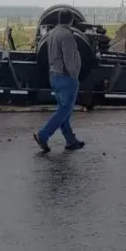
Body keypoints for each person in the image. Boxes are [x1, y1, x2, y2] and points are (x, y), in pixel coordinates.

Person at [32, 11, 85, 153]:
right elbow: (68, 58)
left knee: (64, 110)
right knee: (65, 110)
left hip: (54, 75)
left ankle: (71, 141)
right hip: (66, 77)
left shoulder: (53, 33)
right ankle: (43, 135)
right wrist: (74, 76)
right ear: (71, 20)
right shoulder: (67, 35)